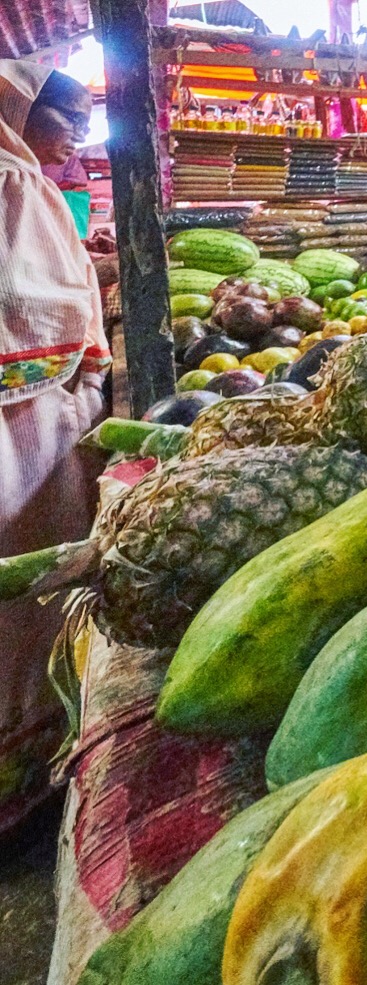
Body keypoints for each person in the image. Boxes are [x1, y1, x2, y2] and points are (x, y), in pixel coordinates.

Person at [0, 61, 110, 832]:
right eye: (66, 116)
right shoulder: (12, 180)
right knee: (26, 586)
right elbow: (31, 306)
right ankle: (22, 778)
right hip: (22, 427)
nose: (76, 135)